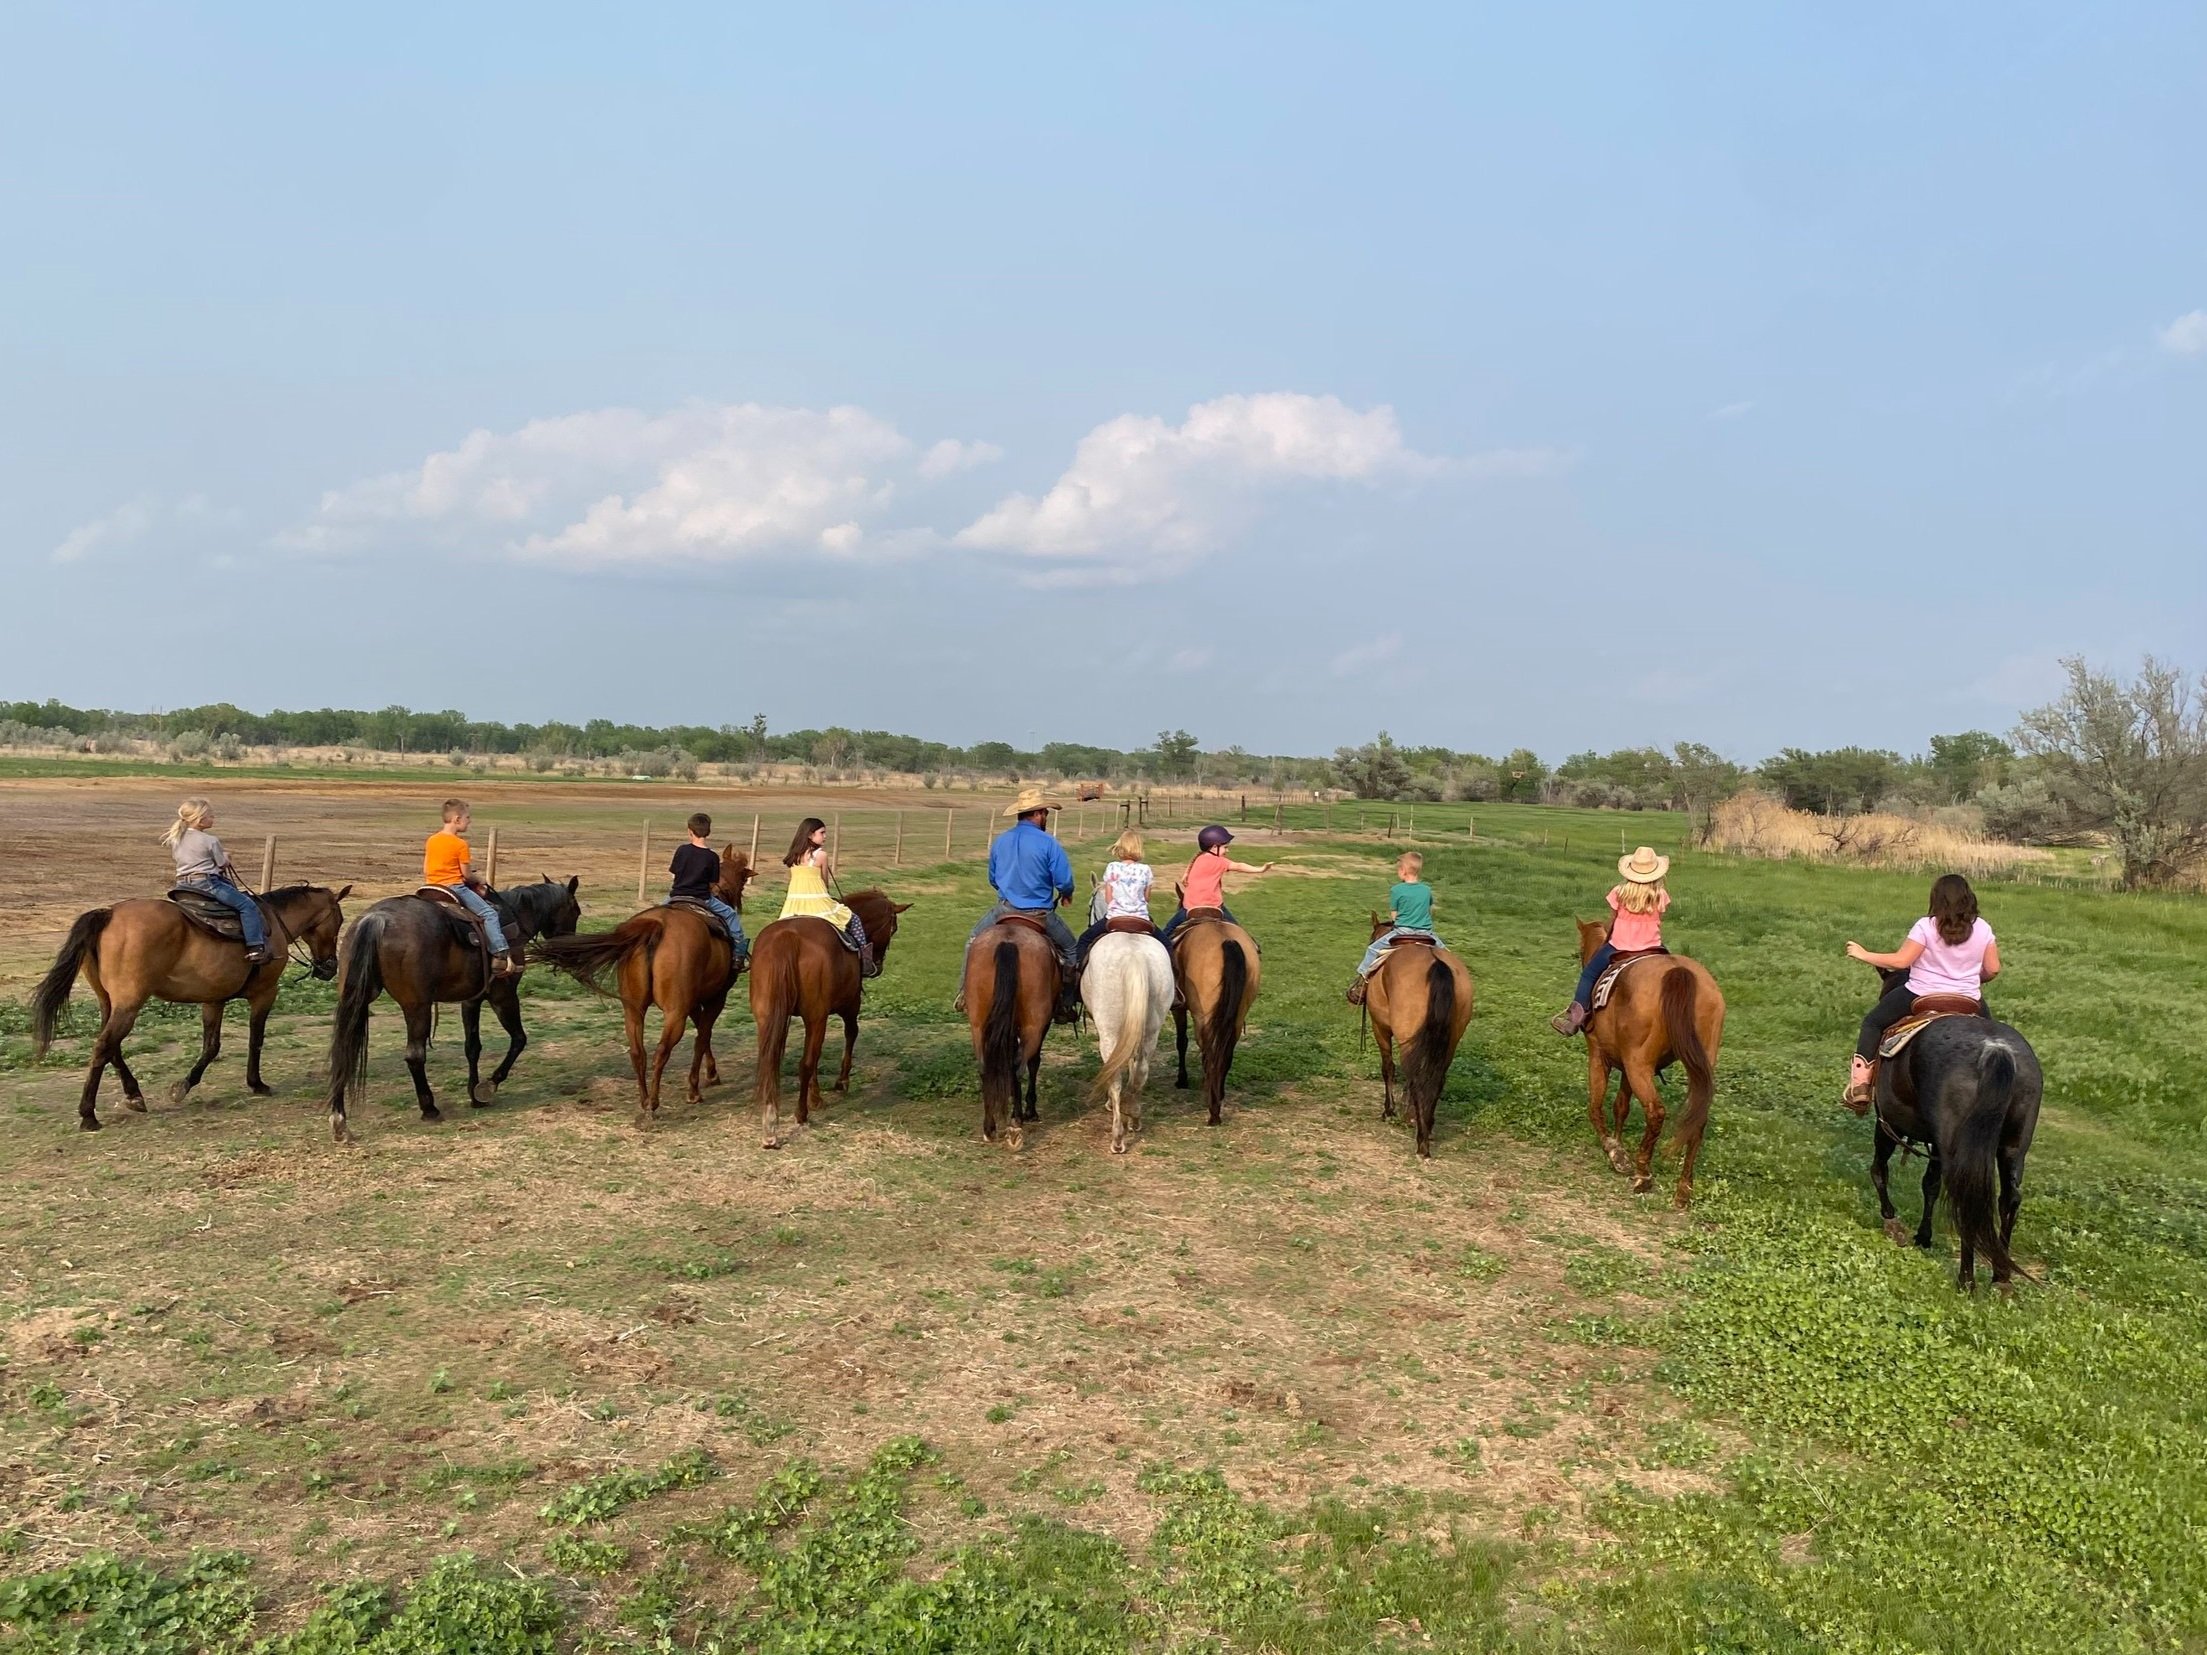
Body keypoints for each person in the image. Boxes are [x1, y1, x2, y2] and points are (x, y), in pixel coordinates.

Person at [1841, 873, 2000, 1108]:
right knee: (1992, 1041)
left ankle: (1861, 1086)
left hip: (1921, 995)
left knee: (1873, 1022)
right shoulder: (1982, 928)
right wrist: (1969, 979)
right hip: (1968, 999)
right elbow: (1993, 969)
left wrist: (1864, 954)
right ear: (1968, 898)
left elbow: (1901, 962)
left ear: (1937, 899)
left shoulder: (1926, 926)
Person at [957, 787, 1078, 1021]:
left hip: (1005, 909)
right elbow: (1064, 880)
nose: (1046, 818)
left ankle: (964, 994)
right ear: (1039, 814)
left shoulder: (1001, 841)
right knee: (1072, 949)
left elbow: (993, 878)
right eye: (1046, 813)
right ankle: (1065, 1003)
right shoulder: (1049, 843)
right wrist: (1066, 893)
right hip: (1040, 913)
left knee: (973, 940)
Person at [1550, 845, 1670, 1035]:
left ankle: (1574, 1020)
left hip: (1619, 946)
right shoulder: (1660, 895)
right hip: (1652, 947)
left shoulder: (1619, 892)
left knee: (1588, 975)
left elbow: (1613, 919)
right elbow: (1659, 921)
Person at [162, 797, 270, 965]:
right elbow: (221, 863)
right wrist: (227, 857)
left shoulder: (177, 838)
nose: (213, 819)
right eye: (210, 816)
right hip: (207, 884)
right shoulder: (210, 840)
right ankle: (255, 946)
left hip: (183, 885)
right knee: (247, 906)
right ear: (199, 819)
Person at [424, 798, 519, 975]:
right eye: (468, 817)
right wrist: (480, 879)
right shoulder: (460, 844)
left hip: (431, 887)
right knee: (489, 913)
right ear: (457, 819)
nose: (470, 821)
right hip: (454, 888)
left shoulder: (432, 840)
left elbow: (426, 868)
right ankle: (500, 954)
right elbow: (466, 875)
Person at [779, 817, 876, 976]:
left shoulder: (793, 857)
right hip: (818, 904)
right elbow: (824, 883)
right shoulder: (821, 855)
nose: (825, 836)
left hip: (793, 906)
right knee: (855, 920)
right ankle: (865, 962)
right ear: (810, 835)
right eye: (822, 833)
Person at [1345, 850, 1441, 1005]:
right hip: (1426, 934)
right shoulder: (1426, 890)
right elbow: (1429, 911)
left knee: (1372, 950)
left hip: (1403, 932)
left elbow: (1394, 916)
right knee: (1446, 955)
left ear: (1403, 871)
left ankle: (1362, 983)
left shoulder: (1396, 890)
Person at [1156, 825, 1274, 947]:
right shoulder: (1219, 861)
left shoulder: (1198, 858)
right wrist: (1260, 869)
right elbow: (1239, 866)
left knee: (1169, 929)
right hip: (1214, 905)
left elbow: (1186, 875)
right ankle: (1253, 946)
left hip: (1190, 906)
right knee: (1239, 930)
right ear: (1214, 847)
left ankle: (1161, 947)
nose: (1227, 851)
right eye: (1225, 847)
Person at [668, 811, 747, 966]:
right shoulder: (712, 857)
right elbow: (712, 883)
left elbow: (674, 873)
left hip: (676, 897)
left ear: (689, 831)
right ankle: (739, 953)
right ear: (708, 832)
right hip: (702, 899)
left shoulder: (681, 850)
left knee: (658, 910)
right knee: (731, 915)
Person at [1074, 828, 1158, 965]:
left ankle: (1076, 976)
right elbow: (1147, 898)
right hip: (1141, 918)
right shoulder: (1146, 869)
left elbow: (1108, 899)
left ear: (1120, 847)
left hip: (1115, 917)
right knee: (1166, 944)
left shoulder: (1112, 867)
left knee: (1084, 940)